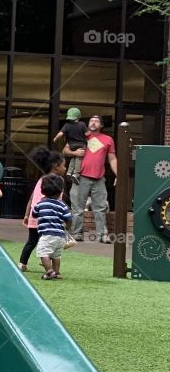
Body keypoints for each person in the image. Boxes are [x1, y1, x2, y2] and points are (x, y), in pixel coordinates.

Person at [70, 114, 118, 242]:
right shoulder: (81, 136)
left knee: (101, 207)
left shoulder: (108, 139)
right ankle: (76, 233)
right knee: (77, 207)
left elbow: (112, 158)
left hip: (99, 178)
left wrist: (118, 174)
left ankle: (102, 235)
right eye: (91, 120)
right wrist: (74, 153)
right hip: (80, 176)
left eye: (97, 121)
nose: (93, 123)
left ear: (101, 125)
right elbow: (65, 150)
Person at [19, 146, 66, 271]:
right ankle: (50, 268)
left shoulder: (42, 179)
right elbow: (57, 202)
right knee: (50, 241)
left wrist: (27, 214)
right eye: (63, 165)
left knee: (31, 242)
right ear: (56, 166)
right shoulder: (58, 181)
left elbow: (32, 198)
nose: (65, 168)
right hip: (48, 218)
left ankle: (22, 263)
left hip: (36, 216)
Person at [32, 174, 73, 279]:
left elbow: (34, 214)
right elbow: (68, 219)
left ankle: (50, 271)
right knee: (56, 255)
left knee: (42, 252)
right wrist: (67, 229)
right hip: (60, 235)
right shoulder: (62, 205)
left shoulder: (41, 204)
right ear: (60, 192)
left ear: (43, 191)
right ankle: (56, 272)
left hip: (47, 234)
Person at [53, 107, 87, 184]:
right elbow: (87, 134)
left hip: (71, 145)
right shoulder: (82, 124)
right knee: (78, 158)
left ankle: (69, 172)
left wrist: (55, 138)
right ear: (79, 116)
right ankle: (76, 173)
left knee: (73, 158)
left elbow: (60, 134)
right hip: (81, 144)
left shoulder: (67, 125)